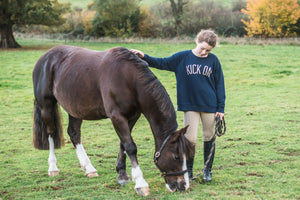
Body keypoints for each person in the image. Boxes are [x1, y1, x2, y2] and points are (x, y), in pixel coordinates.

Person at [131, 30, 225, 182]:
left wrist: (220, 109)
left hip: (210, 105)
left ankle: (208, 171)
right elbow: (162, 62)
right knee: (190, 140)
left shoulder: (213, 61)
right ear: (197, 41)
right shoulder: (182, 57)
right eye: (202, 48)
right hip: (189, 105)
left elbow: (219, 85)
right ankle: (188, 171)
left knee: (209, 137)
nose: (203, 52)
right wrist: (144, 57)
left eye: (208, 50)